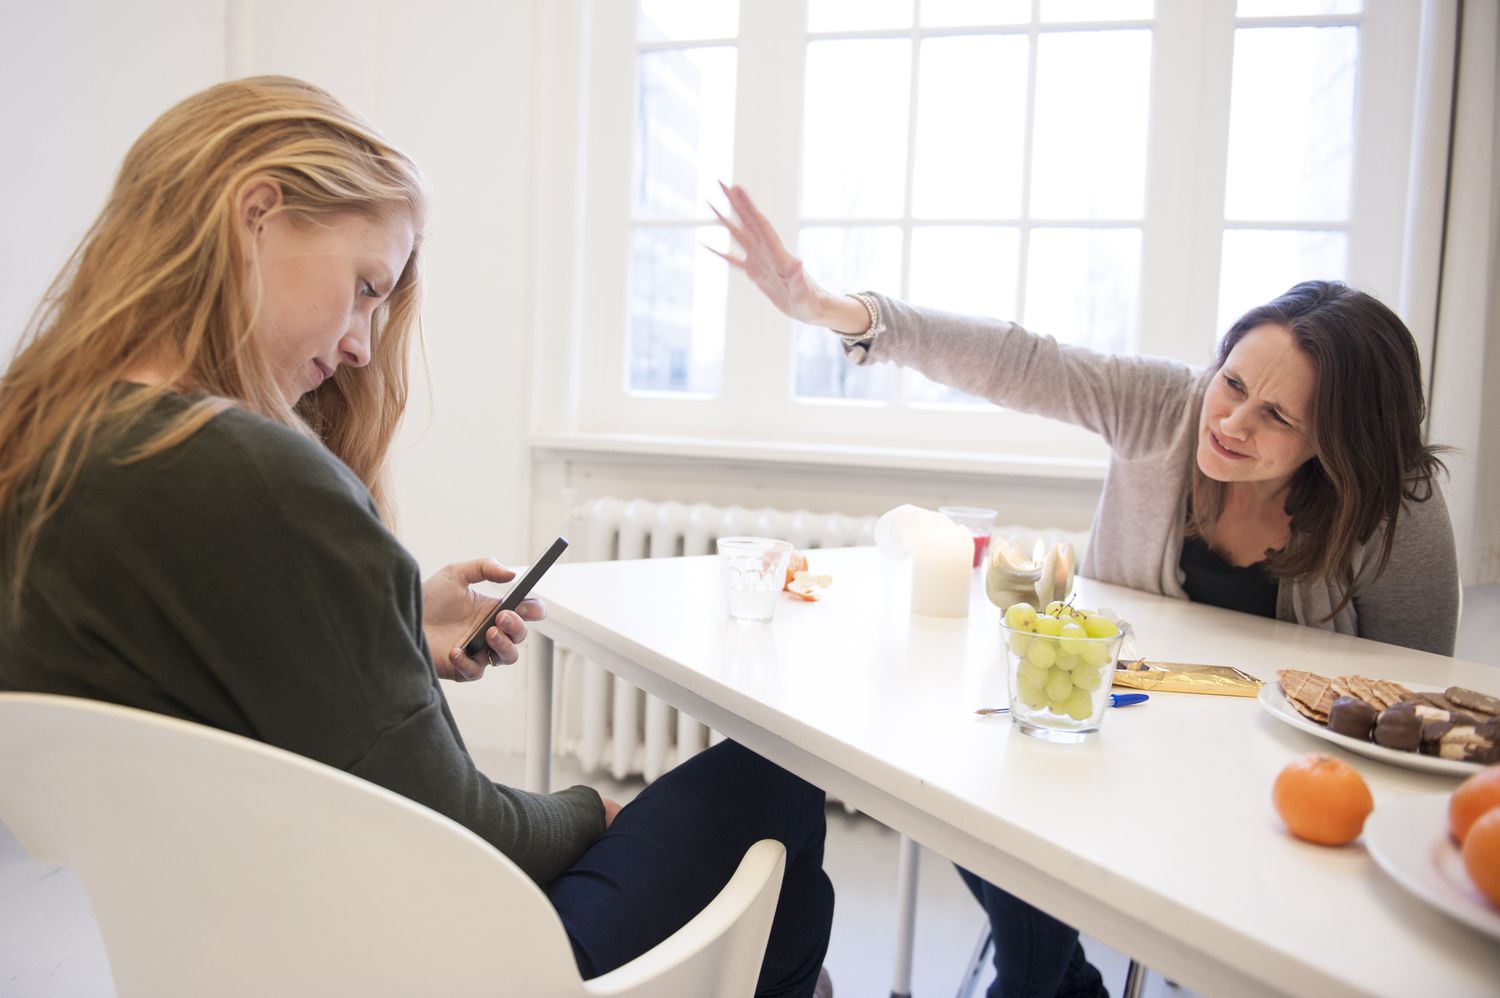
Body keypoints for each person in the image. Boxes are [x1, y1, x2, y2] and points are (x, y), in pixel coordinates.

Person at [0, 79, 833, 998]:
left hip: (214, 949)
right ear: (258, 216)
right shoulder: (250, 471)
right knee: (773, 783)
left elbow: (216, 682)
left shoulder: (45, 445)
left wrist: (390, 620)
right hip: (418, 964)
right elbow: (468, 831)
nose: (361, 345)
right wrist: (593, 812)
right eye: (364, 288)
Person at [711, 182, 1458, 998]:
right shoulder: (1166, 406)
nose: (1232, 422)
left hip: (1268, 780)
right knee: (963, 767)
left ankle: (1046, 983)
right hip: (1116, 728)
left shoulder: (1393, 507)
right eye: (1234, 382)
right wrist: (838, 309)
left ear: (1336, 442)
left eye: (1278, 416)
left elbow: (1410, 699)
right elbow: (1021, 361)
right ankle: (1052, 980)